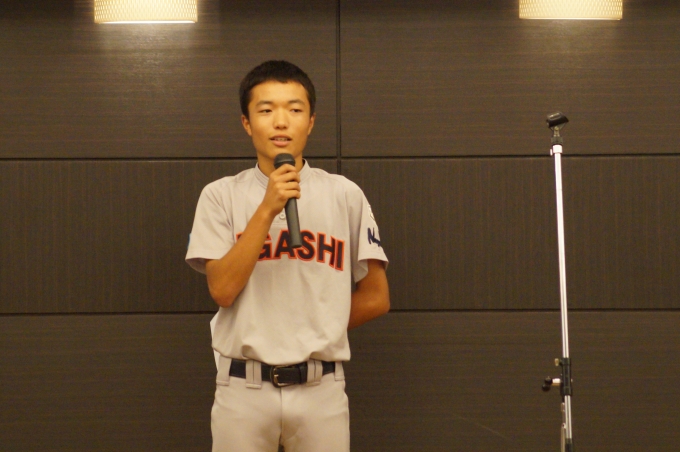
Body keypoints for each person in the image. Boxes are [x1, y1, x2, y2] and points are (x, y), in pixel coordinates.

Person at [185, 60, 390, 452]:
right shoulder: (220, 195)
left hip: (320, 386)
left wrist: (311, 326)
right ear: (247, 123)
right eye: (266, 110)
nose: (281, 121)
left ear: (310, 122)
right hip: (243, 387)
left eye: (295, 109)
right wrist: (267, 207)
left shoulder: (344, 194)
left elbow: (377, 297)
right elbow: (222, 290)